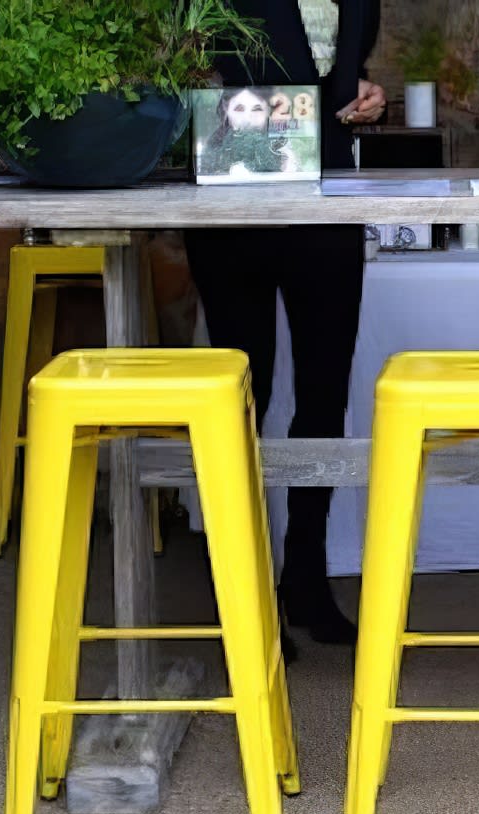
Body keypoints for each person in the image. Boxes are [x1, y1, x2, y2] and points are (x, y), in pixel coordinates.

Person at [184, 0, 385, 647]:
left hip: (329, 199)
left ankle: (305, 575)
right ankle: (246, 595)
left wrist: (363, 101)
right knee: (246, 396)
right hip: (233, 201)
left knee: (324, 394)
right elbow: (189, 68)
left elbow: (344, 81)